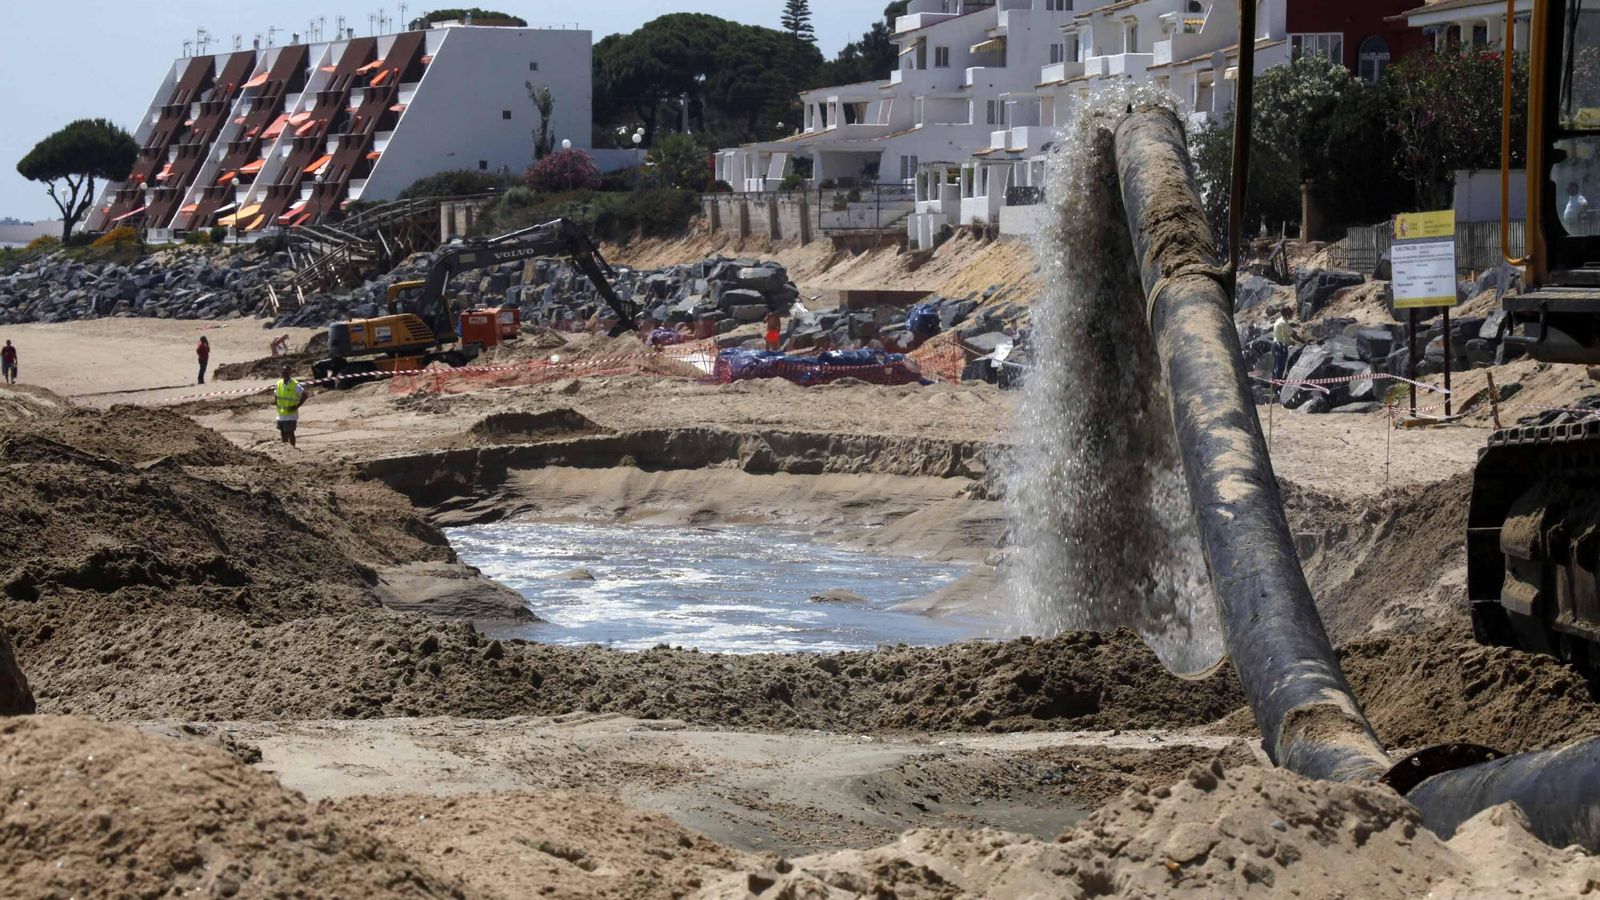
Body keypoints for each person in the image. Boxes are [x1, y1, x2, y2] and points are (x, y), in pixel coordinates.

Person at [274, 365, 308, 448]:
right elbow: (275, 393)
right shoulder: (279, 383)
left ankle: (292, 449)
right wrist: (276, 403)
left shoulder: (295, 384)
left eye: (286, 371)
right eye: (283, 371)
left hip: (290, 414)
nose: (284, 373)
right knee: (282, 432)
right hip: (281, 414)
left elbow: (305, 395)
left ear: (290, 373)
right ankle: (285, 449)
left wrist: (296, 406)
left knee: (290, 433)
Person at [1271, 308, 1293, 381]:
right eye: (1290, 313)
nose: (1291, 314)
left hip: (1275, 345)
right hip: (1280, 346)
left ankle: (1274, 387)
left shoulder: (1279, 321)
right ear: (1286, 313)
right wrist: (1303, 341)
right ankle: (1277, 386)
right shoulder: (1283, 322)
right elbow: (1293, 335)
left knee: (1276, 367)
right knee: (1280, 367)